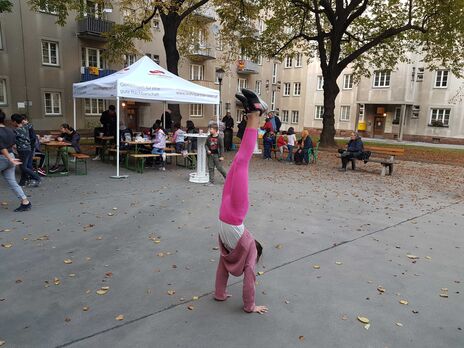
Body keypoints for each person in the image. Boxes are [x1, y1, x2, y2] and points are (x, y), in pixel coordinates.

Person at [215, 88, 268, 314]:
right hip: (223, 221)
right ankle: (250, 112)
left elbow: (250, 276)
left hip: (234, 215)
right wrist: (219, 293)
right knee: (237, 162)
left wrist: (251, 306)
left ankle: (256, 112)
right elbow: (222, 268)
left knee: (242, 161)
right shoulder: (228, 249)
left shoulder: (250, 250)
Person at [0, 110, 32, 212]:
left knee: (12, 181)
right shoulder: (10, 130)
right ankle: (25, 202)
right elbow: (13, 145)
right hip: (10, 157)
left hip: (3, 158)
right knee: (12, 181)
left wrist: (10, 159)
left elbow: (2, 147)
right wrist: (12, 156)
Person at [11, 114, 41, 187]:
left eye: (12, 121)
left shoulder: (16, 130)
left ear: (15, 122)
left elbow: (12, 140)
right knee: (24, 166)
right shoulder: (25, 128)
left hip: (23, 150)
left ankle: (37, 177)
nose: (11, 123)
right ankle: (22, 182)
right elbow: (29, 126)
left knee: (23, 167)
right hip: (28, 149)